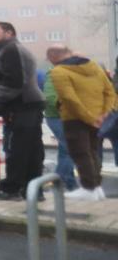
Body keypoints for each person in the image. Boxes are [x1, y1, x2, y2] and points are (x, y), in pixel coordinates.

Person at [0, 21, 44, 201]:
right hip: (27, 106)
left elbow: (14, 82)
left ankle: (10, 189)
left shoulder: (11, 50)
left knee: (16, 150)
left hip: (20, 106)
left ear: (9, 33)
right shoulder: (12, 49)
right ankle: (32, 190)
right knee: (31, 151)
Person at [47, 47, 116, 201]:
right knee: (92, 152)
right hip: (98, 117)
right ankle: (97, 188)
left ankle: (88, 188)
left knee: (80, 153)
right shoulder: (95, 67)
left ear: (53, 56)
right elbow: (110, 92)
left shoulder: (59, 71)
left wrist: (89, 117)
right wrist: (103, 115)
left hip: (75, 119)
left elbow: (69, 98)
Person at [38, 47, 79, 193]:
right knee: (70, 149)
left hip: (61, 116)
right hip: (58, 117)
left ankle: (64, 181)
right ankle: (65, 181)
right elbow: (50, 97)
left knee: (65, 149)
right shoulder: (55, 73)